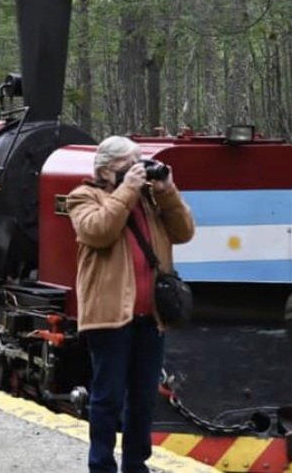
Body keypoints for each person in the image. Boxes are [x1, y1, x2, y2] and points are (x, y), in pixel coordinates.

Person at [66, 136, 195, 473]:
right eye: (130, 163)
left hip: (150, 316)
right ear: (107, 169)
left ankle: (136, 465)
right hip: (109, 317)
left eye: (141, 161)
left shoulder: (150, 200)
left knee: (143, 398)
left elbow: (184, 232)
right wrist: (127, 190)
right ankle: (101, 466)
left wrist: (167, 190)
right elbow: (99, 231)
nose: (139, 168)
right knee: (107, 398)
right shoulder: (83, 196)